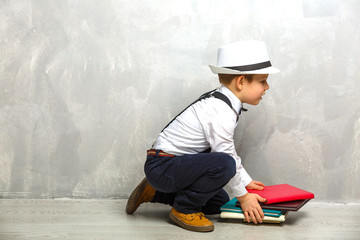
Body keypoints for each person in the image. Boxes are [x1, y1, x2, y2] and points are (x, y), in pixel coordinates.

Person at [126, 40, 280, 232]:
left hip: (176, 165)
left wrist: (246, 183)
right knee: (225, 164)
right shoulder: (220, 111)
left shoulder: (225, 103)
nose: (267, 87)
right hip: (163, 166)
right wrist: (244, 196)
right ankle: (183, 210)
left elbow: (228, 153)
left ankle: (156, 192)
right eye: (262, 81)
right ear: (241, 82)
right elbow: (227, 156)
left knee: (218, 203)